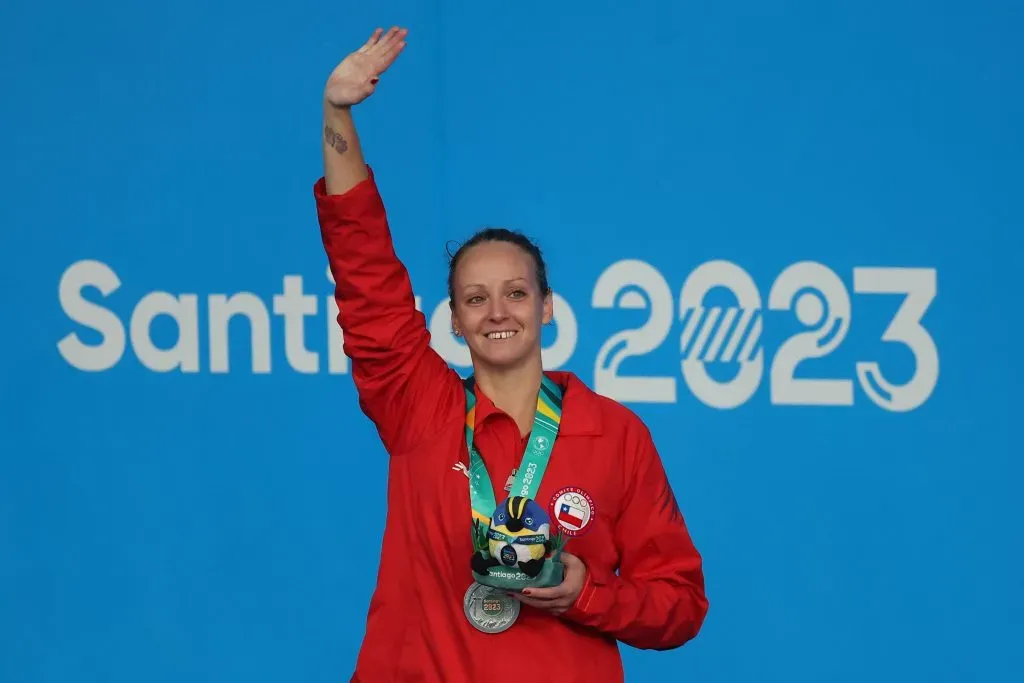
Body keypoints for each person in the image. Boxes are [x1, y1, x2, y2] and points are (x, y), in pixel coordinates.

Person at [313, 26, 708, 683]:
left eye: (516, 292)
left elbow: (682, 604)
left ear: (547, 306)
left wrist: (587, 592)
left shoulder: (616, 435)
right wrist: (337, 115)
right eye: (475, 298)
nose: (498, 311)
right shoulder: (419, 408)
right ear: (456, 322)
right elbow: (365, 272)